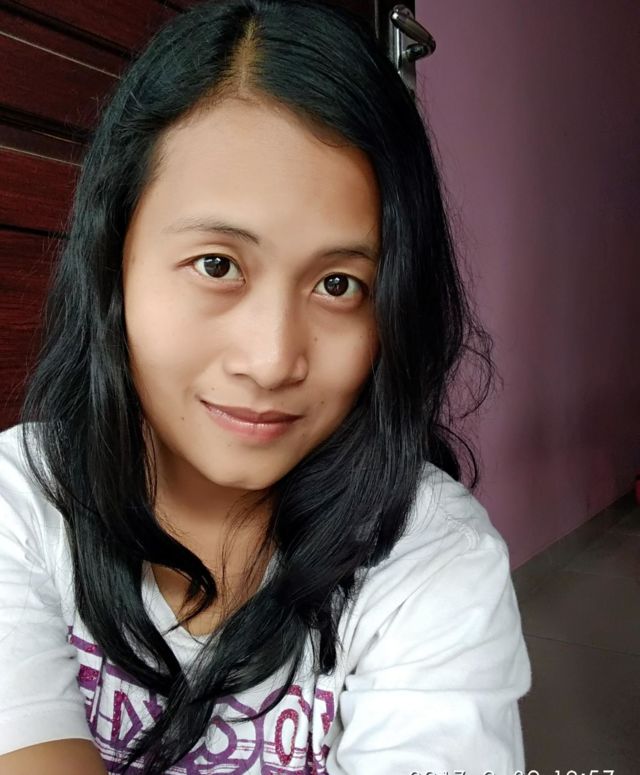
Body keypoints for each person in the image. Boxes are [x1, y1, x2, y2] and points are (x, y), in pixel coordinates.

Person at [0, 0, 532, 772]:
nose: (273, 358)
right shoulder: (22, 505)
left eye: (339, 283)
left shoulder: (432, 560)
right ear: (115, 262)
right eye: (217, 264)